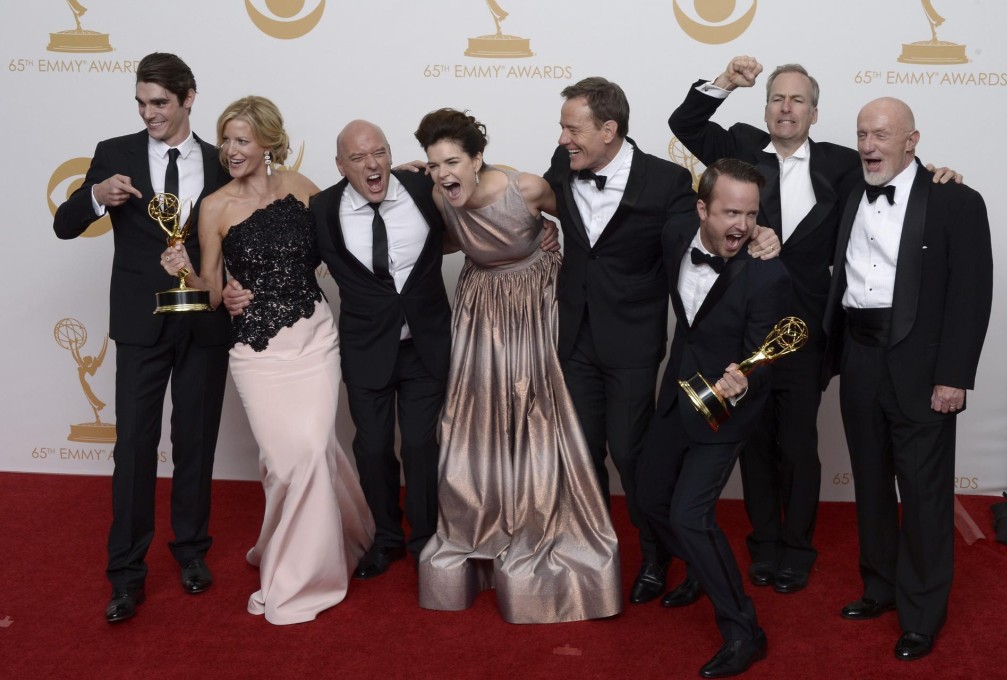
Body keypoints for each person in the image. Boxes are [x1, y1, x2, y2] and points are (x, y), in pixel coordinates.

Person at [669, 56, 963, 593]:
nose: (786, 108)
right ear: (765, 108)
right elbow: (684, 124)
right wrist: (725, 82)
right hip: (743, 330)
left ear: (814, 112)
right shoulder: (739, 146)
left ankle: (797, 549)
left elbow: (896, 176)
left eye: (798, 100)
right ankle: (764, 545)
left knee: (800, 444)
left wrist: (940, 176)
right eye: (777, 98)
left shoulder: (843, 163)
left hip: (808, 332)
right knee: (754, 441)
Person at [543, 76, 781, 605]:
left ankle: (657, 557)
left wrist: (760, 232)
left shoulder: (666, 179)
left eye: (572, 128)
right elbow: (529, 198)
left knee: (632, 457)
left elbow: (709, 231)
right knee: (581, 456)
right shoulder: (565, 164)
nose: (563, 138)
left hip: (632, 343)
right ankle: (592, 556)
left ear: (609, 129)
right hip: (574, 337)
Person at [162, 96, 374, 624]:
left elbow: (349, 231)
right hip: (256, 351)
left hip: (313, 338)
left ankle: (305, 573)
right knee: (285, 461)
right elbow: (212, 292)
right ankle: (316, 543)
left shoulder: (302, 188)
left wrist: (408, 180)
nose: (231, 150)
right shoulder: (214, 206)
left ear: (268, 143)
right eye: (226, 140)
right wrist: (188, 272)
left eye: (242, 140)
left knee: (314, 449)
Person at [413, 108, 621, 624]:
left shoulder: (526, 188)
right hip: (481, 305)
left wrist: (551, 237)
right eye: (435, 164)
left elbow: (583, 224)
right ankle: (482, 522)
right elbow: (451, 237)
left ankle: (540, 520)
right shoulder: (438, 195)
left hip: (534, 300)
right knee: (475, 418)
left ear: (477, 159)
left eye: (453, 161)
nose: (443, 173)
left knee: (536, 413)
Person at [223, 120, 452, 579]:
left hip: (425, 343)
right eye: (358, 157)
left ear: (391, 155)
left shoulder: (424, 187)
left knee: (421, 444)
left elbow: (479, 205)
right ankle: (387, 538)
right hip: (367, 348)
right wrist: (234, 289)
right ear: (340, 166)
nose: (372, 164)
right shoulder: (323, 209)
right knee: (372, 448)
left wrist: (536, 232)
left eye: (379, 153)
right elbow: (284, 262)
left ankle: (425, 539)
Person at [53, 52, 231, 624]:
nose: (148, 113)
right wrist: (95, 196)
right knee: (132, 448)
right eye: (140, 103)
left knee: (196, 441)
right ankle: (126, 574)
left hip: (203, 321)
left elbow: (248, 229)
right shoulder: (114, 154)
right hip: (140, 323)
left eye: (159, 103)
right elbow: (64, 225)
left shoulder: (221, 161)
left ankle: (191, 551)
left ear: (188, 98)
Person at [823, 97, 992, 661]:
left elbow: (971, 295)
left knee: (923, 494)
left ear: (912, 141)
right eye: (861, 134)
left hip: (923, 367)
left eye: (881, 135)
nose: (868, 145)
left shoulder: (956, 200)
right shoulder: (849, 187)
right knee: (871, 482)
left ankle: (921, 614)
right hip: (859, 355)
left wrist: (954, 377)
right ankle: (880, 587)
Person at [637, 159, 791, 678]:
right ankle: (702, 569)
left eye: (751, 215)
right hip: (677, 390)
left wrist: (747, 377)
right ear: (702, 209)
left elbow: (765, 352)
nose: (742, 226)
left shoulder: (768, 273)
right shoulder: (675, 232)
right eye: (730, 213)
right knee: (649, 498)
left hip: (726, 409)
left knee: (690, 515)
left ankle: (745, 632)